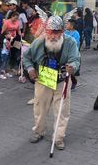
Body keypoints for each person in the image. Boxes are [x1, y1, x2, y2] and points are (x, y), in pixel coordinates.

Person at [23, 16, 80, 150]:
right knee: (40, 108)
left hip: (62, 79)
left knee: (62, 110)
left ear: (62, 31)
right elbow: (26, 57)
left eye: (56, 32)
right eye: (50, 32)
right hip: (43, 79)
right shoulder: (39, 42)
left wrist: (72, 66)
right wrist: (30, 69)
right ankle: (38, 131)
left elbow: (75, 59)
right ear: (46, 30)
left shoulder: (70, 42)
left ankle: (58, 137)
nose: (53, 36)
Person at [64, 19, 80, 90]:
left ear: (72, 26)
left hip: (72, 53)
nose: (66, 25)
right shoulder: (65, 32)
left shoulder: (76, 34)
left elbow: (75, 44)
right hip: (64, 53)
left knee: (70, 68)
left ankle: (74, 82)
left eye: (67, 24)